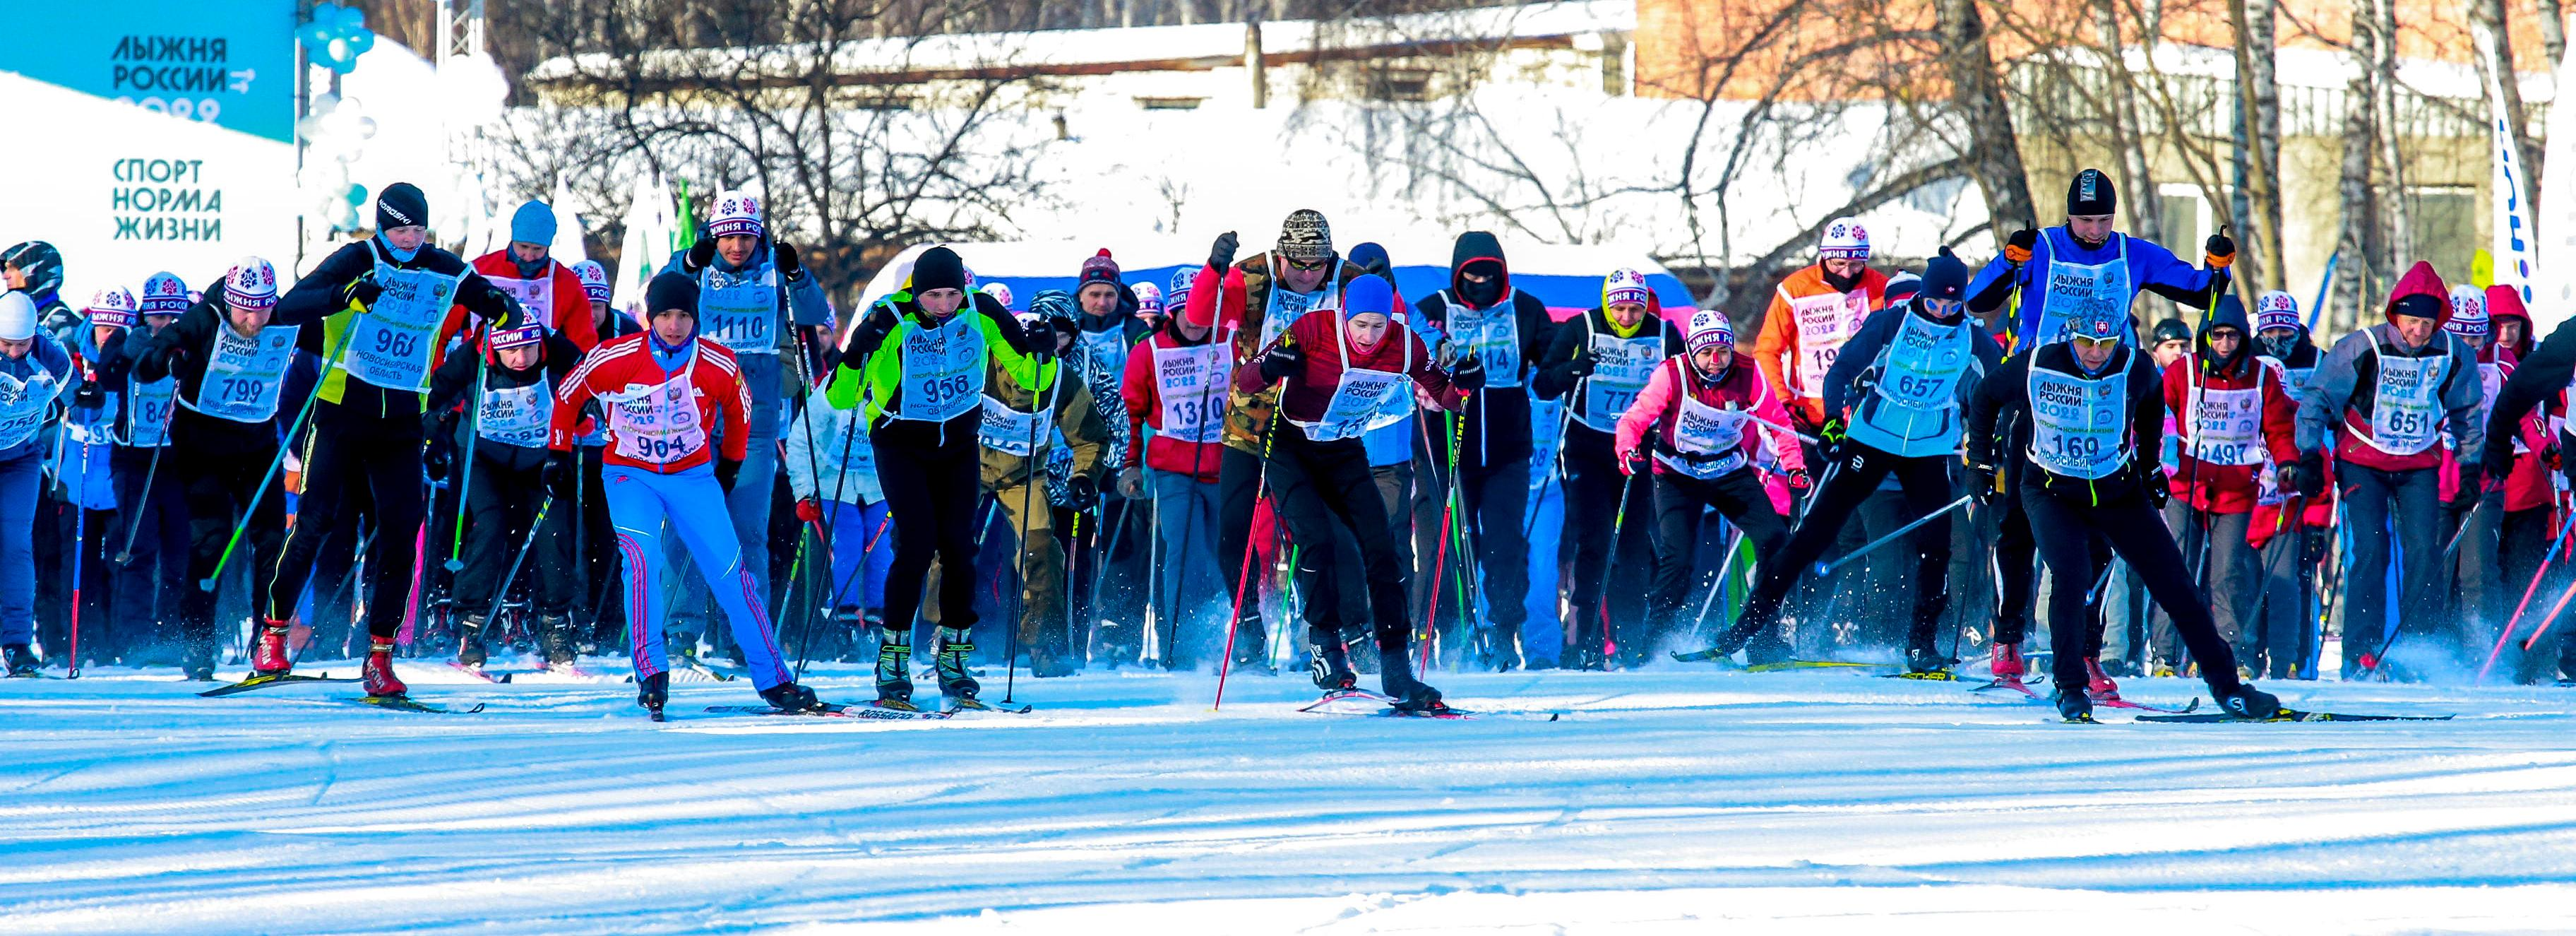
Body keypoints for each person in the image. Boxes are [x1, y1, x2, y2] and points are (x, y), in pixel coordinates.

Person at [261, 183, 524, 697]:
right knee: (314, 522)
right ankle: (272, 635)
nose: (410, 239)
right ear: (382, 225)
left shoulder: (441, 266)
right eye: (401, 229)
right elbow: (289, 307)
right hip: (341, 411)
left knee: (402, 533)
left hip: (402, 417)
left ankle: (380, 655)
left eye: (418, 229)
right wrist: (345, 295)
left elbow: (485, 295)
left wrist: (502, 308)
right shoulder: (357, 257)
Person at [1967, 300, 2281, 722]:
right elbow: (1984, 396)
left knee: (2174, 583)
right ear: (2071, 337)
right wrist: (1981, 463)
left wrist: (2150, 464)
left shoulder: (2134, 366)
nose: (2096, 353)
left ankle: (2228, 687)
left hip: (2116, 488)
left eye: (2107, 343)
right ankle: (2072, 686)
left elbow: (2152, 404)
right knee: (2071, 574)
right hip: (2052, 489)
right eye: (2087, 342)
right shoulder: (2040, 363)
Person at [1705, 252, 2000, 671]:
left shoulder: (1971, 338)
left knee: (1936, 546)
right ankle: (1745, 628)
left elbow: (1999, 389)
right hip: (1873, 440)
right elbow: (1841, 370)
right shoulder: (1892, 324)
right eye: (1935, 305)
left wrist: (1991, 444)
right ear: (1923, 297)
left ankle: (1920, 643)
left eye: (1953, 307)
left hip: (1926, 449)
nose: (1942, 314)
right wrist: (1832, 420)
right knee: (1813, 533)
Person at [549, 271, 816, 717]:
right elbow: (569, 394)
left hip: (692, 476)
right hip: (630, 475)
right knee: (643, 560)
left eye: (684, 317)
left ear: (696, 319)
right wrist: (558, 452)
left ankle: (774, 679)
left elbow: (741, 409)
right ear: (650, 317)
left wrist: (730, 464)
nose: (674, 326)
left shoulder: (718, 363)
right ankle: (652, 672)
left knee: (732, 574)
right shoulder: (615, 357)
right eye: (665, 316)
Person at [1234, 273, 1478, 711]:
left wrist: (1465, 385)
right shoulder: (1312, 330)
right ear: (1344, 317)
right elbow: (1247, 381)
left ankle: (1396, 666)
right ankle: (1325, 647)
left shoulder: (1405, 344)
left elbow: (1445, 395)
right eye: (1360, 325)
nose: (1368, 337)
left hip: (1343, 449)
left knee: (1382, 549)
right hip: (1291, 448)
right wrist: (1273, 366)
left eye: (1377, 326)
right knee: (1317, 542)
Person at [831, 245, 1048, 709]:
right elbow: (839, 396)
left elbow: (1031, 373)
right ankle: (892, 660)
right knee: (915, 543)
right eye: (934, 296)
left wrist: (1045, 351)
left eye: (952, 293)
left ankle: (953, 656)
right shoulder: (891, 316)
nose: (945, 305)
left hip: (958, 445)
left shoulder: (982, 311)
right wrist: (856, 354)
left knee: (959, 547)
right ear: (917, 291)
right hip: (900, 443)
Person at [655, 191, 833, 666]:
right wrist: (687, 262)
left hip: (754, 415)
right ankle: (679, 630)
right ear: (714, 233)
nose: (737, 245)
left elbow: (817, 316)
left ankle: (746, 632)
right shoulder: (696, 264)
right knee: (685, 522)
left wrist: (798, 275)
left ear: (759, 233)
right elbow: (659, 296)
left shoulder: (776, 266)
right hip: (694, 413)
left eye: (746, 235)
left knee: (747, 530)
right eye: (727, 235)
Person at [2297, 262, 2484, 679]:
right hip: (2363, 460)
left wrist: (2471, 465)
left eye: (2427, 323)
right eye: (2412, 321)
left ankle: (2421, 649)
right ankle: (2361, 653)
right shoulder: (2361, 347)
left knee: (2423, 550)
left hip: (2419, 462)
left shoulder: (2454, 353)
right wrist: (2309, 454)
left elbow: (2468, 411)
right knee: (2372, 548)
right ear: (2395, 315)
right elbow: (2317, 398)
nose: (2419, 331)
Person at [1207, 212, 1367, 661]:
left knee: (1322, 531)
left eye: (1318, 266)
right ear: (1282, 255)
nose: (1308, 275)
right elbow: (1203, 315)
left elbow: (1386, 330)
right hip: (1249, 423)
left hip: (1313, 428)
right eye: (1299, 264)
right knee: (1233, 531)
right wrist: (1214, 270)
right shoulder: (1253, 275)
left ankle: (1342, 629)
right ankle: (1248, 627)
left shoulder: (1348, 281)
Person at [1609, 307, 1806, 660]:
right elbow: (1633, 421)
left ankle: (1760, 634)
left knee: (1775, 539)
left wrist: (1794, 467)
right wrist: (1627, 452)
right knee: (1680, 560)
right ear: (1692, 352)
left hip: (1728, 469)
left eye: (1723, 352)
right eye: (1706, 353)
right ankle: (1652, 646)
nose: (1716, 362)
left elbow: (1779, 425)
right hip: (1676, 473)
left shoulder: (1748, 374)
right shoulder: (1672, 375)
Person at [134, 261, 297, 681]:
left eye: (262, 309)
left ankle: (269, 640)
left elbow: (324, 320)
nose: (254, 320)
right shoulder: (204, 317)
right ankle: (199, 647)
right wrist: (169, 359)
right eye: (245, 310)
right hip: (202, 445)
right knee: (212, 543)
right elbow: (147, 362)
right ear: (229, 300)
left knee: (272, 542)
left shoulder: (280, 317)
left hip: (257, 445)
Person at [1413, 230, 1553, 668]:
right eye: (1470, 276)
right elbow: (1410, 355)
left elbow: (1550, 357)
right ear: (1457, 274)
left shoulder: (1526, 309)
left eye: (1488, 275)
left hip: (1507, 452)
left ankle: (1504, 628)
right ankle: (1450, 635)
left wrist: (1566, 366)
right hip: (1448, 451)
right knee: (1447, 545)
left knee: (1505, 545)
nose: (1479, 283)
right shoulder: (1434, 309)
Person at [1532, 268, 1683, 668]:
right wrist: (1573, 370)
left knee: (1633, 548)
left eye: (1636, 308)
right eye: (1620, 308)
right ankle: (1583, 641)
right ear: (1606, 303)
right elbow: (1543, 384)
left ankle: (1631, 638)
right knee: (1594, 543)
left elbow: (1687, 383)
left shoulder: (1664, 334)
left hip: (1639, 449)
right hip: (1589, 448)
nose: (1629, 317)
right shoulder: (1582, 327)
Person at [427, 308, 585, 670]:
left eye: (528, 349)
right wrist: (432, 439)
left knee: (554, 532)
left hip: (540, 457)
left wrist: (589, 416)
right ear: (493, 348)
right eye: (510, 351)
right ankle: (471, 621)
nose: (520, 358)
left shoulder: (556, 349)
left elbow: (591, 384)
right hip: (483, 457)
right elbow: (435, 394)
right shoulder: (472, 354)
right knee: (490, 524)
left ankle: (555, 624)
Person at [2152, 296, 2299, 683]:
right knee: (2176, 568)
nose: (2224, 345)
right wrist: (2158, 459)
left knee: (2227, 574)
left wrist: (2287, 462)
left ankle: (2230, 653)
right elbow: (2158, 415)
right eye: (2216, 336)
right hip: (2186, 485)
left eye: (2232, 337)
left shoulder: (2261, 377)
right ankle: (2165, 654)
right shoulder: (2182, 372)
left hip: (2236, 490)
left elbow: (2280, 427)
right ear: (2205, 335)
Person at [1964, 169, 2235, 350]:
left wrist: (2217, 265)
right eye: (2085, 220)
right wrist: (2009, 262)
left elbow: (2200, 293)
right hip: (2040, 369)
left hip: (2106, 376)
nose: (2095, 231)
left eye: (2105, 220)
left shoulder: (2132, 254)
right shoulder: (2042, 248)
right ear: (2070, 215)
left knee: (2147, 383)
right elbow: (1977, 300)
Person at [1119, 264, 1232, 668]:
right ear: (1175, 312)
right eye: (1190, 317)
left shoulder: (1230, 341)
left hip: (1224, 466)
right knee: (1183, 552)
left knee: (1223, 553)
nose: (1199, 327)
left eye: (1206, 318)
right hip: (1172, 470)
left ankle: (1223, 636)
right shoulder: (1149, 350)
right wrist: (1131, 465)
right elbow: (1132, 412)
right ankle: (1179, 646)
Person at [95, 273, 190, 668]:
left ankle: (171, 634)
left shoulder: (192, 339)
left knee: (180, 552)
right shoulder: (127, 337)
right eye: (156, 317)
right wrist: (127, 353)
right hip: (134, 458)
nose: (163, 326)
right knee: (138, 547)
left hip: (179, 458)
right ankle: (134, 638)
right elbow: (107, 376)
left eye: (172, 318)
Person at [1063, 251, 1149, 665]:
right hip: (1075, 452)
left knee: (1119, 543)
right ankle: (1069, 624)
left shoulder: (1133, 331)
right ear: (1081, 295)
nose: (1101, 303)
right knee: (1074, 540)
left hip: (1120, 450)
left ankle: (1118, 628)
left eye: (1108, 294)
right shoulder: (1067, 329)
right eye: (1094, 294)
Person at [2243, 290, 2332, 679]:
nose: (2279, 340)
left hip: (2288, 508)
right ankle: (2244, 655)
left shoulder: (2316, 365)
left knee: (2286, 586)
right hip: (2245, 509)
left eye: (2286, 331)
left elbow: (2321, 470)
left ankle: (2289, 659)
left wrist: (2316, 523)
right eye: (2271, 332)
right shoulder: (2245, 388)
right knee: (2243, 584)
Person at [785, 363, 890, 663]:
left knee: (881, 547)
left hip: (878, 482)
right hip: (834, 480)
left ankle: (878, 618)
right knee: (848, 540)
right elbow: (800, 438)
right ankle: (844, 615)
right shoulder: (835, 385)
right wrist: (804, 491)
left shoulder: (900, 378)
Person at [568, 259, 638, 649]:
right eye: (583, 305)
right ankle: (571, 615)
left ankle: (609, 619)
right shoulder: (562, 326)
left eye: (596, 306)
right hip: (571, 443)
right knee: (570, 531)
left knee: (607, 533)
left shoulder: (624, 330)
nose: (590, 315)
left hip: (614, 444)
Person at [0, 292, 71, 675]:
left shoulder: (52, 356)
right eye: (5, 344)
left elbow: (69, 389)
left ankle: (16, 642)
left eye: (21, 344)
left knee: (15, 544)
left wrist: (81, 398)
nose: (13, 352)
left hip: (20, 457)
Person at [469, 201, 600, 350]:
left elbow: (583, 344)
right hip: (480, 367)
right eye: (523, 247)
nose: (529, 256)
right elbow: (444, 329)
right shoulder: (479, 271)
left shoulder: (565, 282)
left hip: (541, 370)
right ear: (513, 239)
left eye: (538, 249)